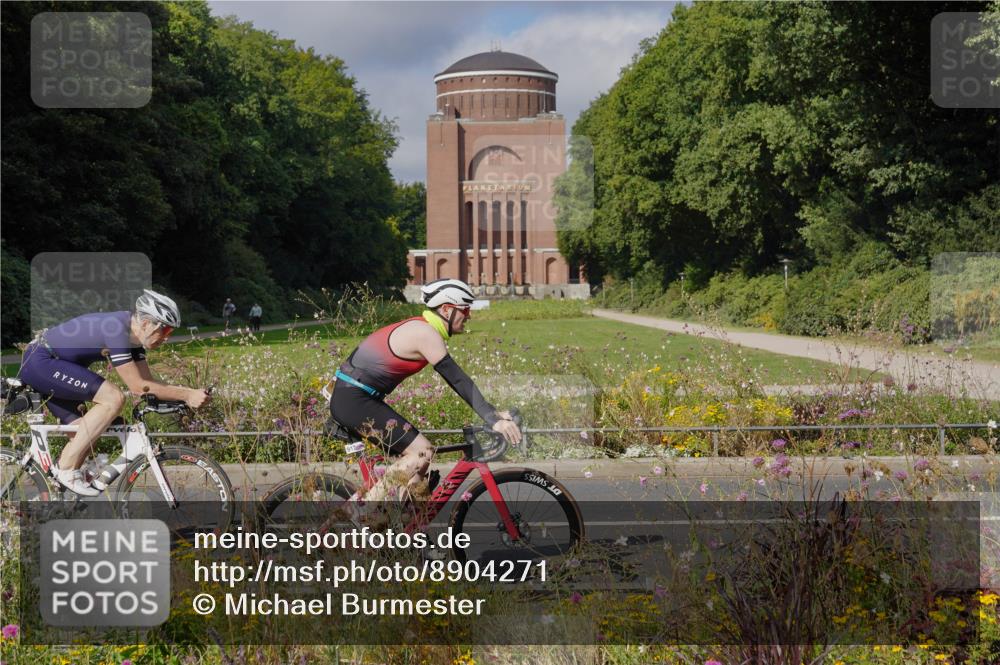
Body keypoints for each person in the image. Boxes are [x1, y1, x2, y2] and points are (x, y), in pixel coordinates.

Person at [328, 278, 520, 504]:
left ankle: (403, 527)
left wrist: (495, 413)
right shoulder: (424, 333)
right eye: (465, 309)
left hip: (355, 397)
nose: (468, 315)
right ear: (447, 309)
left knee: (420, 469)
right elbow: (457, 380)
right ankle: (360, 514)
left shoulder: (422, 327)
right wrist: (492, 419)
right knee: (422, 452)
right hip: (354, 399)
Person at [17, 290, 212, 495]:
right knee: (113, 398)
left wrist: (181, 397)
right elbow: (137, 386)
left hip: (55, 364)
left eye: (170, 333)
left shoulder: (134, 340)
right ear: (146, 324)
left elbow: (148, 384)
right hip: (42, 361)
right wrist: (187, 394)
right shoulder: (116, 329)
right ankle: (65, 468)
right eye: (165, 331)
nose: (166, 338)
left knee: (88, 435)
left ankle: (52, 500)